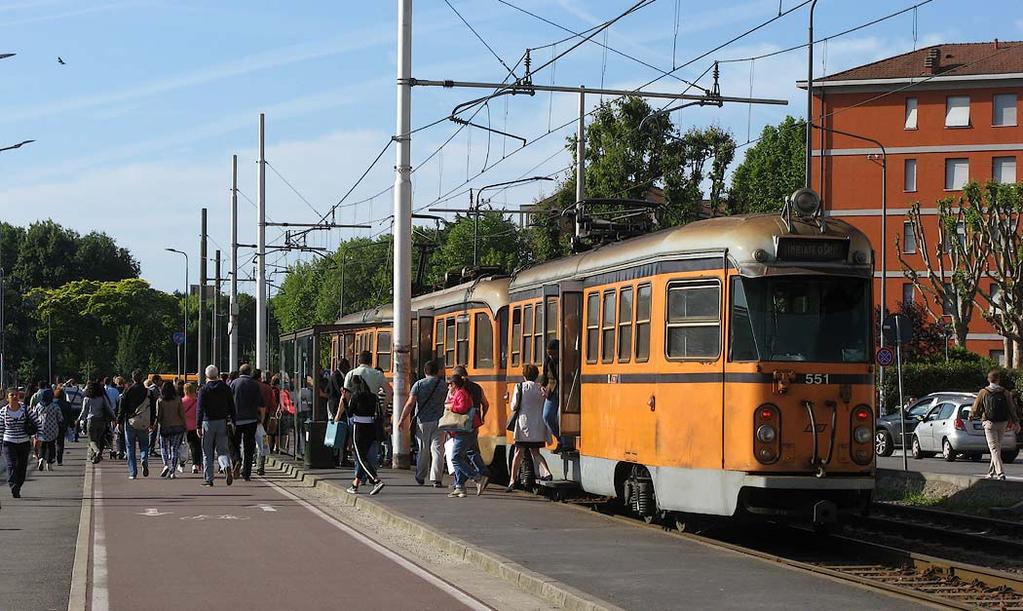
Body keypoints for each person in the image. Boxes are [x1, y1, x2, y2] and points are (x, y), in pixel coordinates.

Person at [398, 359, 447, 487]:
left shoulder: (419, 384)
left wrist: (402, 419)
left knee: (423, 449)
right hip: (440, 421)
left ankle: (420, 475)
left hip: (423, 422)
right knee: (438, 450)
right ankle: (436, 478)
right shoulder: (443, 385)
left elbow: (410, 404)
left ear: (425, 371)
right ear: (437, 372)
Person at [506, 364, 553, 492]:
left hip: (523, 426)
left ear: (524, 375)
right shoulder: (540, 388)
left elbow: (514, 406)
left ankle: (512, 480)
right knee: (536, 452)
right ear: (537, 375)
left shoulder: (520, 387)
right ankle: (547, 472)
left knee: (518, 453)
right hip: (538, 426)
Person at [970, 369, 1019, 480]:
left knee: (994, 449)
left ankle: (1000, 473)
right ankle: (991, 473)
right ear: (998, 380)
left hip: (989, 423)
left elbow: (976, 407)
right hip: (1003, 423)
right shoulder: (1005, 392)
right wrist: (1016, 422)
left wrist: (971, 415)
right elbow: (1012, 408)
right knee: (997, 448)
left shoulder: (983, 392)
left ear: (989, 379)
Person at [444, 373, 485, 498]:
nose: (448, 387)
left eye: (449, 384)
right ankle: (460, 487)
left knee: (455, 458)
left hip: (465, 430)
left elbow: (462, 407)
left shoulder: (461, 393)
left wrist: (451, 407)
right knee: (461, 456)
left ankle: (477, 477)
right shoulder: (460, 392)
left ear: (454, 385)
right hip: (465, 430)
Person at [345, 372, 385, 496]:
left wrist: (345, 401)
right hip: (371, 427)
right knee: (364, 457)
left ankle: (375, 480)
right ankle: (355, 484)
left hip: (359, 427)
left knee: (360, 457)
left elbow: (350, 414)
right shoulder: (373, 397)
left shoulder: (356, 397)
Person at [452, 365, 490, 494]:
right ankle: (479, 474)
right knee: (472, 450)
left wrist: (451, 408)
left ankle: (472, 479)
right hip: (475, 423)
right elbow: (486, 404)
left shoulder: (458, 389)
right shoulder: (477, 387)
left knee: (458, 456)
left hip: (462, 425)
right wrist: (482, 417)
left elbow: (460, 407)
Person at [196, 365, 236, 487]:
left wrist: (198, 425)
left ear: (206, 375)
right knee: (222, 450)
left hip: (208, 422)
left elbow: (200, 409)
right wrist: (233, 420)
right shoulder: (225, 388)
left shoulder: (204, 389)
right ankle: (226, 466)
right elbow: (231, 406)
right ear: (217, 375)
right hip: (222, 422)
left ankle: (209, 479)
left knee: (207, 452)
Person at [1, 391, 42, 498]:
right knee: (11, 465)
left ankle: (18, 485)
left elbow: (38, 422)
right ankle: (13, 485)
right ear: (7, 398)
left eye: (16, 395)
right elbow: (0, 429)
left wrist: (39, 437)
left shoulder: (25, 409)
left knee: (22, 467)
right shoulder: (3, 412)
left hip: (24, 443)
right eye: (11, 395)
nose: (15, 397)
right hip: (8, 442)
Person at [116, 370, 156, 479]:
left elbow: (122, 407)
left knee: (130, 447)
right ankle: (144, 459)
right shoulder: (148, 392)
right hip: (144, 422)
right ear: (142, 378)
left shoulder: (127, 390)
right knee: (144, 445)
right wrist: (152, 422)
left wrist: (119, 421)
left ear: (133, 378)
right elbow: (153, 408)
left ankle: (133, 472)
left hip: (130, 421)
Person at [229, 363, 264, 481]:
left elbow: (229, 401)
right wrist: (261, 419)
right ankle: (247, 473)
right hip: (251, 419)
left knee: (234, 444)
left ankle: (237, 460)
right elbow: (260, 403)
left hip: (237, 420)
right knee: (249, 446)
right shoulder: (255, 385)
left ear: (240, 372)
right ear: (249, 372)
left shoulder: (234, 383)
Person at [79, 381, 116, 464]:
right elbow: (108, 408)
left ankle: (96, 451)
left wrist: (79, 419)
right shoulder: (102, 398)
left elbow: (84, 412)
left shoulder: (87, 399)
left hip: (91, 421)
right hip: (102, 421)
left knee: (92, 440)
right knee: (99, 439)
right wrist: (114, 417)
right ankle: (95, 457)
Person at [156, 381, 186, 479]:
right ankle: (172, 469)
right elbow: (182, 413)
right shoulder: (178, 399)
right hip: (177, 426)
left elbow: (158, 416)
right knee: (175, 448)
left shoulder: (160, 400)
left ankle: (166, 465)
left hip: (165, 426)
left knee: (164, 447)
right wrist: (185, 425)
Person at [32, 388, 63, 471]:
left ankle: (41, 458)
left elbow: (34, 416)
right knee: (51, 446)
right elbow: (60, 418)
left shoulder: (38, 405)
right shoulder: (55, 406)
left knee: (43, 446)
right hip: (52, 430)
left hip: (41, 429)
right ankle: (49, 463)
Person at [542, 339, 563, 453]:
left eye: (553, 353)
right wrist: (543, 386)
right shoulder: (548, 360)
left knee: (561, 416)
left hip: (566, 389)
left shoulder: (566, 358)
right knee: (547, 416)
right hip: (552, 391)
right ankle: (560, 439)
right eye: (549, 353)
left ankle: (565, 442)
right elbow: (545, 376)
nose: (551, 356)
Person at [181, 382, 201, 474]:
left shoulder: (181, 402)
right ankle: (195, 464)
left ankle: (182, 464)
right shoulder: (197, 401)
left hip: (184, 427)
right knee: (195, 447)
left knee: (183, 446)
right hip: (195, 427)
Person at [53, 385, 74, 466]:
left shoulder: (52, 403)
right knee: (60, 443)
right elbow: (70, 415)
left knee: (52, 442)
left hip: (53, 425)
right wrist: (71, 425)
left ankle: (51, 457)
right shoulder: (67, 404)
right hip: (62, 425)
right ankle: (59, 460)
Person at [145, 374, 163, 459]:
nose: (161, 382)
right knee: (152, 431)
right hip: (153, 412)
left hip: (154, 412)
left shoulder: (154, 389)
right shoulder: (153, 389)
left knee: (154, 432)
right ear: (156, 380)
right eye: (160, 380)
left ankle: (151, 449)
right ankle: (150, 449)